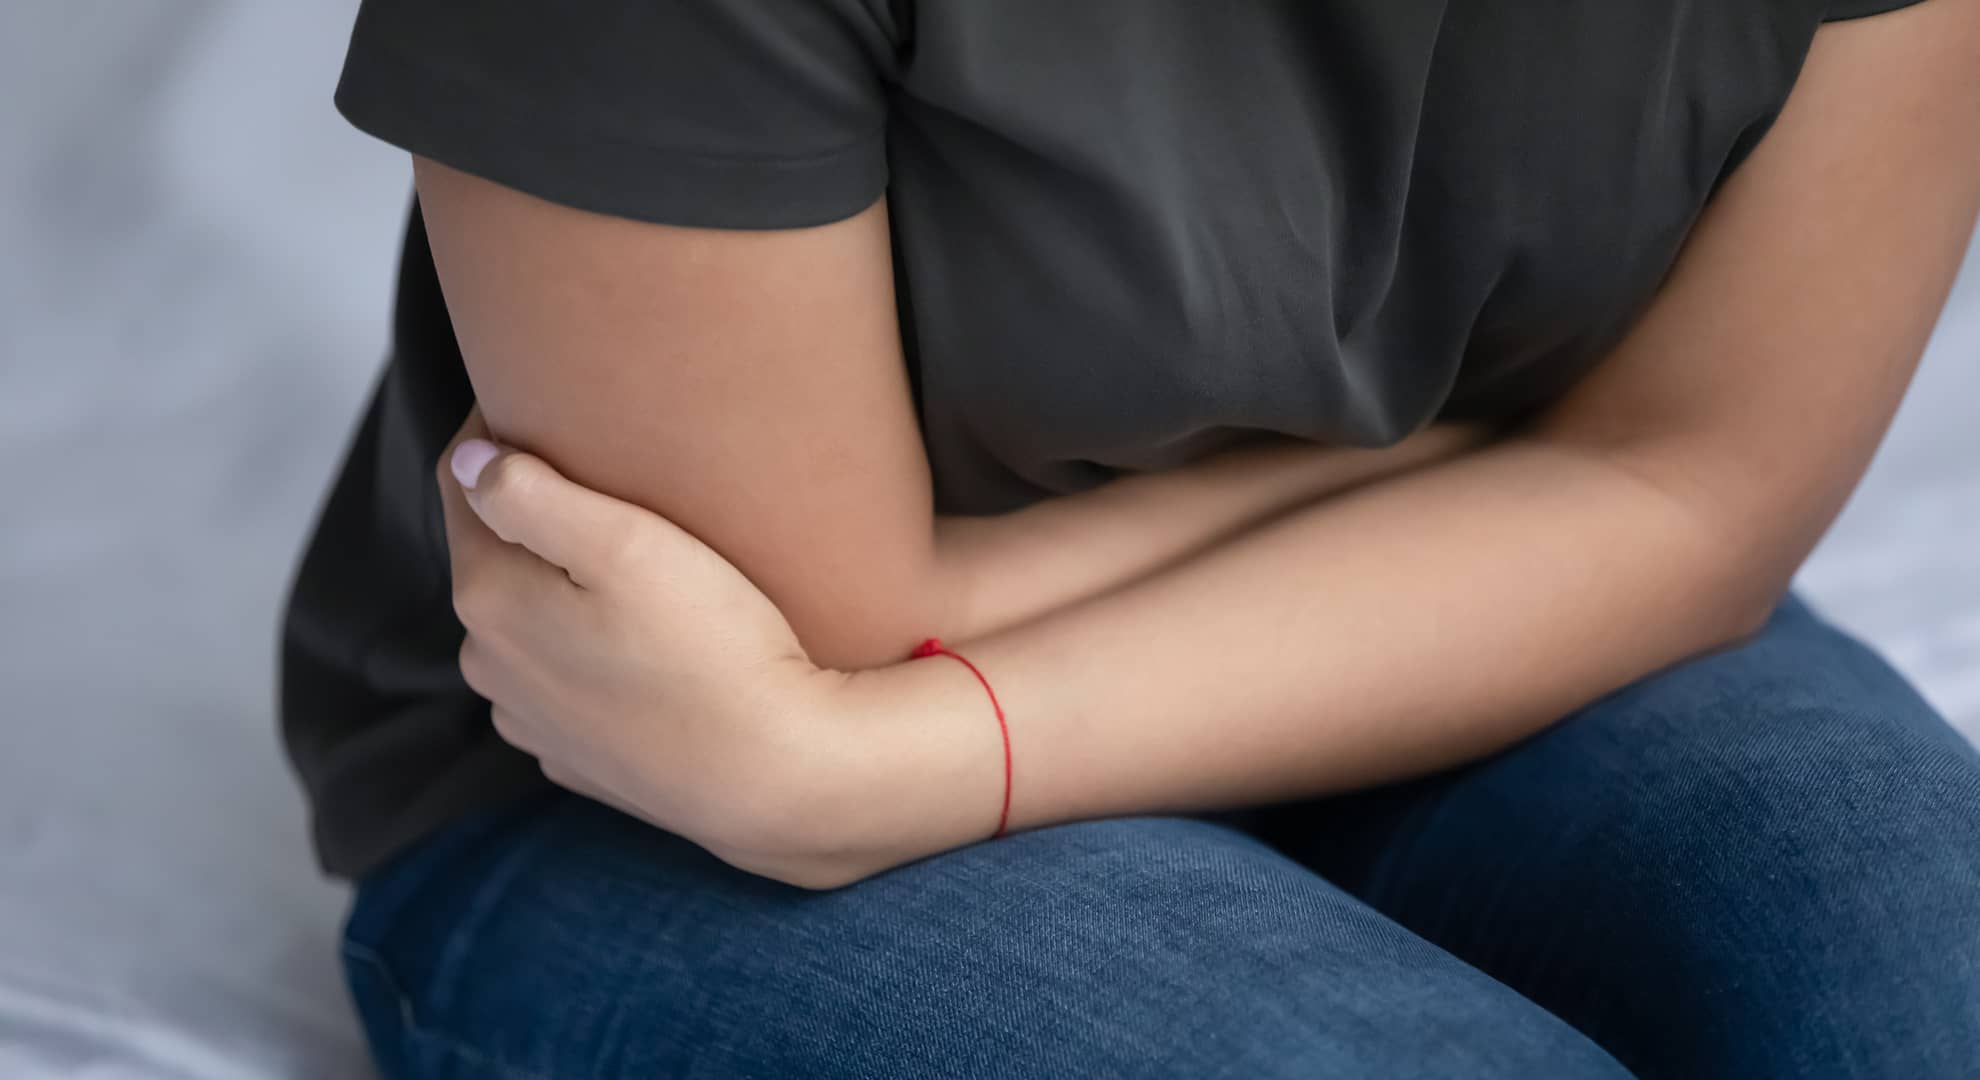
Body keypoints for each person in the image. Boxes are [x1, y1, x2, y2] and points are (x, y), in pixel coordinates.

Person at [284, 1, 1980, 1075]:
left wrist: (860, 763)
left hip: (1503, 631)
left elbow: (1707, 492)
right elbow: (808, 646)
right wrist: (1563, 480)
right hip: (637, 789)